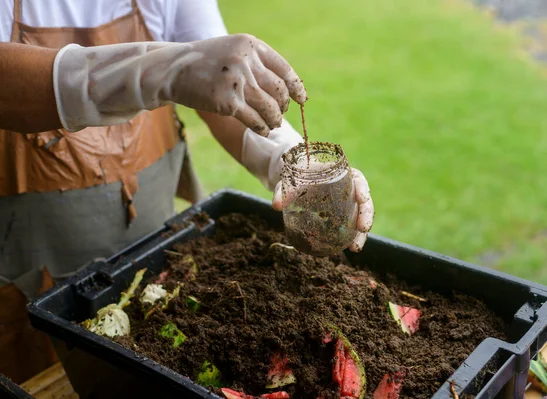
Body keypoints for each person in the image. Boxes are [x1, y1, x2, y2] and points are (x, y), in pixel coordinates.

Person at [0, 0, 375, 385]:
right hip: (22, 259)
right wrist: (160, 68)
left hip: (147, 243)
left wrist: (286, 158)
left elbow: (222, 85)